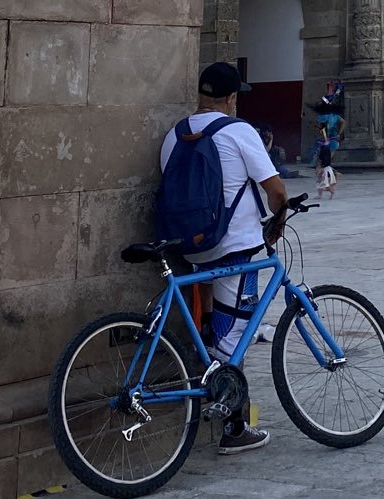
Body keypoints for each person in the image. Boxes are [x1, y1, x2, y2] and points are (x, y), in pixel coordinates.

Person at [159, 62, 288, 454]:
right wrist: (278, 221)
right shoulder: (238, 131)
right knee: (235, 336)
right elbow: (276, 190)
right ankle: (234, 427)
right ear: (231, 98)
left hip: (191, 245)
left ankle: (218, 395)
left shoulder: (174, 134)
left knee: (213, 328)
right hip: (235, 246)